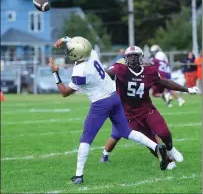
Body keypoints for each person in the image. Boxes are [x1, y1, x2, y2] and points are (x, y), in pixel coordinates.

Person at [49, 36, 168, 185]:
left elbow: (65, 92)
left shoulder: (80, 71)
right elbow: (80, 43)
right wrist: (65, 39)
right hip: (114, 97)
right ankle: (156, 146)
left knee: (86, 138)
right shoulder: (92, 53)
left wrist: (55, 73)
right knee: (127, 132)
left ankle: (78, 176)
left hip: (100, 103)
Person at [100, 46, 200, 170]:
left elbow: (165, 82)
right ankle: (167, 161)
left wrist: (187, 89)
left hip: (147, 109)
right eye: (130, 56)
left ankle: (170, 149)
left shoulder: (148, 71)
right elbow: (104, 75)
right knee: (150, 142)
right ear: (125, 58)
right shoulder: (120, 70)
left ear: (141, 57)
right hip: (130, 115)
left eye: (135, 55)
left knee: (164, 132)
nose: (132, 58)